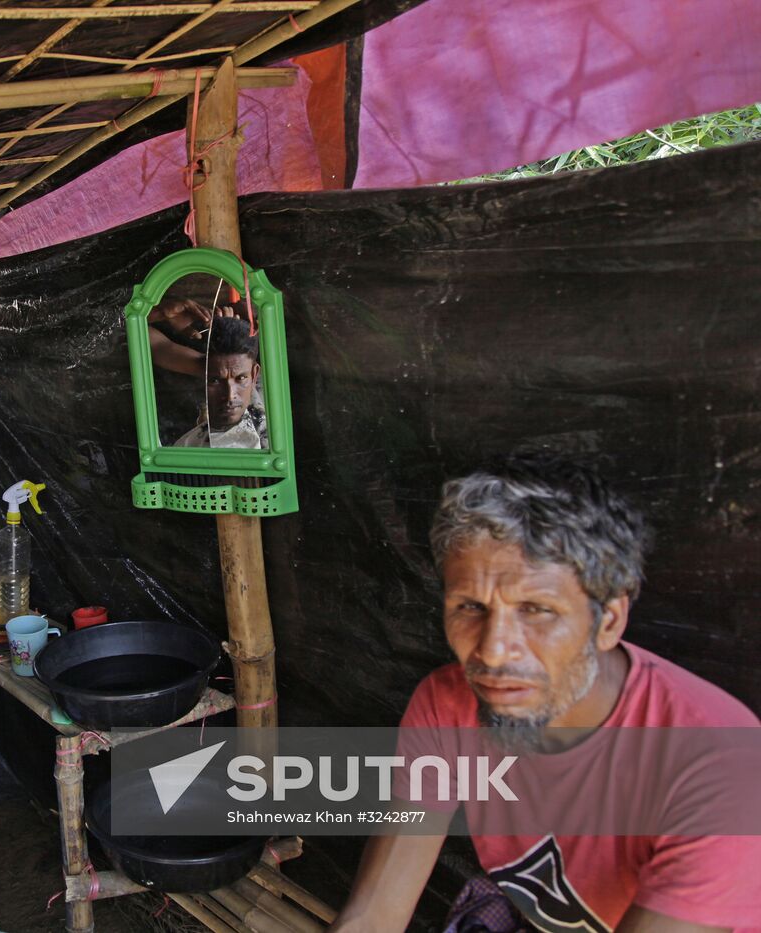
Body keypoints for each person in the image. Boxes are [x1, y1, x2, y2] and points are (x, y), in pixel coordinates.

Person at [331, 451, 760, 933]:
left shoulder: (721, 768)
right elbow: (373, 917)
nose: (492, 652)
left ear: (608, 621)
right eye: (470, 607)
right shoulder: (448, 705)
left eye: (536, 610)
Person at [173, 315, 266, 449]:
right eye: (216, 381)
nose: (230, 395)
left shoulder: (276, 433)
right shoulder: (186, 447)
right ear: (204, 376)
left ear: (254, 374)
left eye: (241, 378)